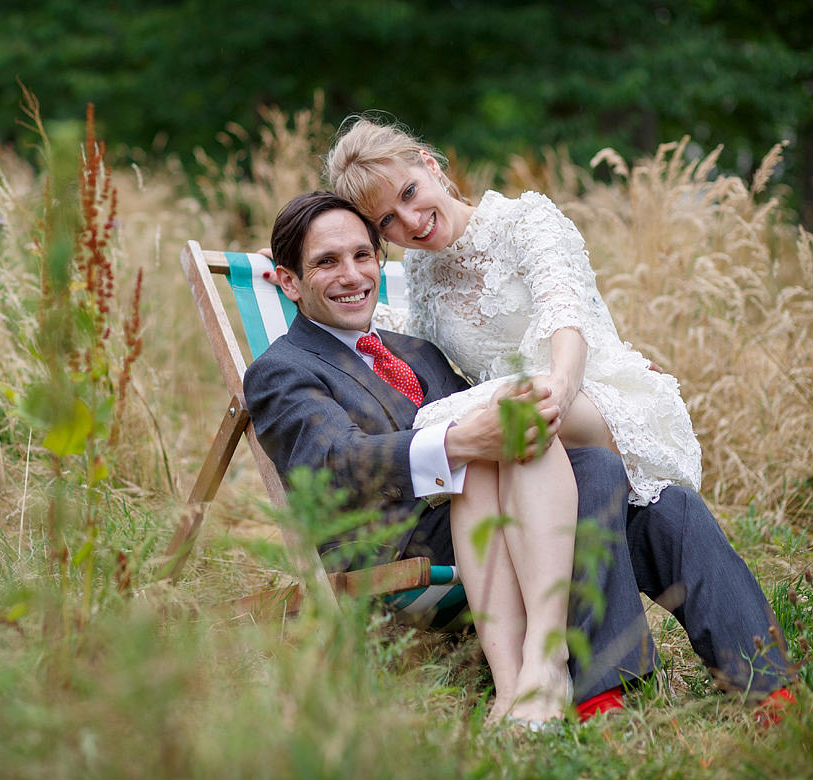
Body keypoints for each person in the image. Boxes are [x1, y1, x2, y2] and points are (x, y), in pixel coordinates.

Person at [243, 191, 793, 730]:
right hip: (397, 541)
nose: (352, 275)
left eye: (362, 255)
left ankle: (770, 689)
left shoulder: (415, 351)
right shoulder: (282, 370)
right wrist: (459, 443)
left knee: (667, 506)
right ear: (289, 281)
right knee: (593, 470)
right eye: (326, 262)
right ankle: (595, 693)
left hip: (495, 517)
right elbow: (333, 464)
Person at [326, 117, 701, 510]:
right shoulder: (422, 268)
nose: (412, 221)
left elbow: (565, 315)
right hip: (519, 422)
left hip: (594, 403)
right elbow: (414, 335)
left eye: (409, 192)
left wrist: (558, 390)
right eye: (387, 220)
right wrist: (314, 272)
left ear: (429, 164)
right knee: (457, 430)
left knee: (436, 429)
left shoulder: (524, 219)